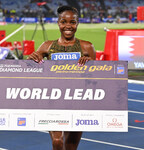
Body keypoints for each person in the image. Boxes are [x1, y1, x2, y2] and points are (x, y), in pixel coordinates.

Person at [28, 5, 96, 150]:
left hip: (78, 101)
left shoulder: (87, 47)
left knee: (70, 147)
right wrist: (32, 60)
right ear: (58, 23)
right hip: (54, 101)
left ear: (77, 24)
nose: (68, 26)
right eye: (63, 22)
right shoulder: (47, 46)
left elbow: (95, 79)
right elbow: (31, 71)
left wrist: (91, 65)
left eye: (72, 22)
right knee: (57, 142)